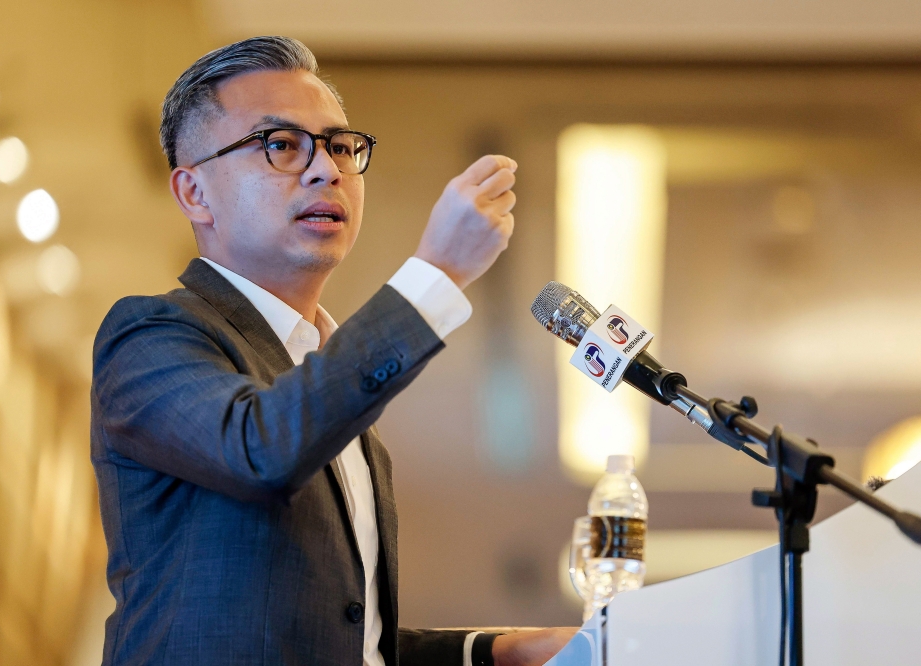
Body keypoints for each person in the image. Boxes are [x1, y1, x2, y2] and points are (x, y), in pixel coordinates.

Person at [90, 36, 575, 666]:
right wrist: (434, 275)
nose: (327, 169)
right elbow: (259, 450)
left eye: (340, 146)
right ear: (194, 193)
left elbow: (337, 636)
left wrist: (500, 651)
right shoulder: (152, 335)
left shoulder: (326, 382)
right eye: (282, 145)